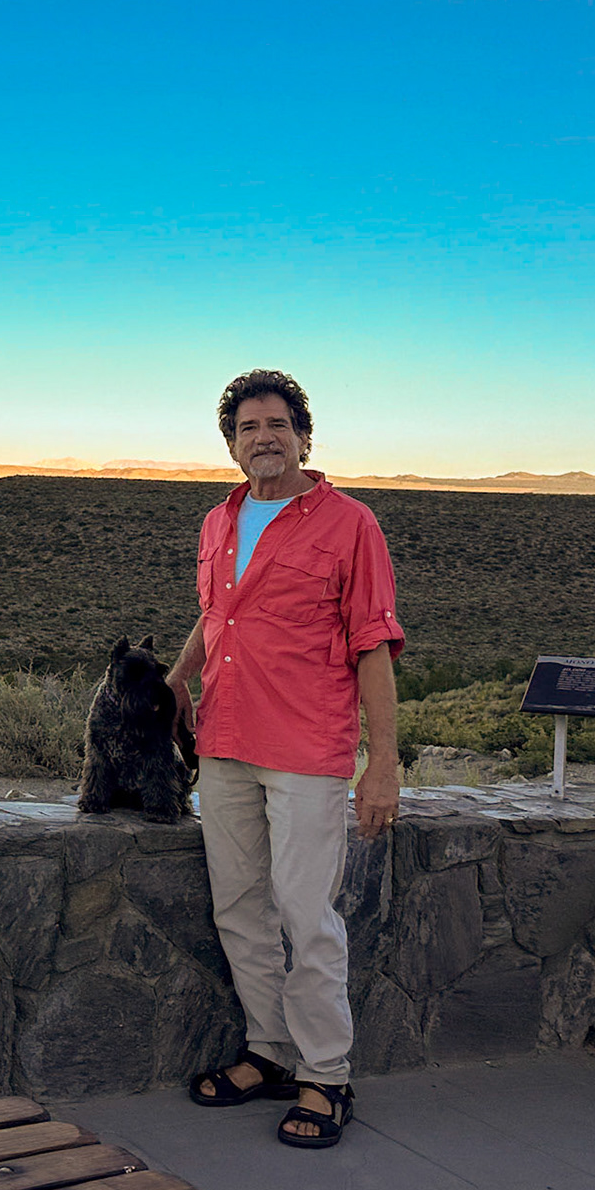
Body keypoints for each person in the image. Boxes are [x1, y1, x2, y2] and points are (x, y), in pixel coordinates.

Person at [165, 369, 404, 1149]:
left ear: (304, 435)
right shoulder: (218, 521)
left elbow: (372, 644)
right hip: (226, 743)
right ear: (231, 444)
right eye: (247, 428)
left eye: (276, 425)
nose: (262, 438)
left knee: (306, 915)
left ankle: (327, 1075)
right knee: (240, 909)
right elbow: (215, 615)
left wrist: (383, 762)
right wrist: (175, 685)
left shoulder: (348, 524)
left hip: (305, 749)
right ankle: (267, 1053)